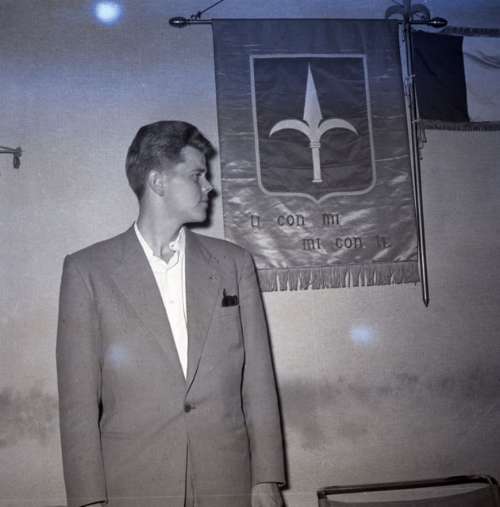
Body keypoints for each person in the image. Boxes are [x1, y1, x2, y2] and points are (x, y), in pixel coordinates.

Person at [56, 121, 285, 507]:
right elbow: (76, 402)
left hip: (228, 480)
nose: (209, 186)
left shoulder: (234, 263)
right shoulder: (87, 271)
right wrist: (88, 498)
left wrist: (266, 477)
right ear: (158, 181)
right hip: (134, 485)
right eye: (197, 174)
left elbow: (259, 380)